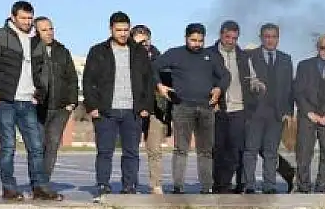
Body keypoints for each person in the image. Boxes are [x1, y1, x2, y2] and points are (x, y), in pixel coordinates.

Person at [0, 1, 62, 201]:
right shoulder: (0, 35)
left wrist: (40, 93)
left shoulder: (36, 41)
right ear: (13, 16)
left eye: (29, 18)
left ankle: (40, 187)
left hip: (28, 102)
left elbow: (43, 70)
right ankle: (9, 188)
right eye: (23, 18)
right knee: (8, 146)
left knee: (36, 146)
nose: (27, 22)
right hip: (6, 100)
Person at [82, 12, 155, 197]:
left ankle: (129, 186)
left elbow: (148, 80)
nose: (123, 33)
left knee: (131, 152)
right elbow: (88, 80)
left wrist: (146, 106)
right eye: (119, 30)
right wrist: (92, 106)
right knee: (105, 151)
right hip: (106, 111)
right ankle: (103, 185)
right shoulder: (98, 51)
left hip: (133, 111)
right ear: (111, 29)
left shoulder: (139, 52)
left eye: (125, 30)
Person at [154, 23, 228, 194]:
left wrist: (219, 89)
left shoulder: (211, 56)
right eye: (193, 40)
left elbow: (225, 75)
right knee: (181, 149)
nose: (197, 44)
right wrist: (160, 86)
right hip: (182, 107)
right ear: (186, 38)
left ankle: (206, 187)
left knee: (206, 151)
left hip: (206, 108)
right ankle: (178, 187)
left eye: (200, 41)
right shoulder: (175, 53)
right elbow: (153, 67)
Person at [241, 23, 296, 194]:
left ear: (278, 38)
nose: (270, 40)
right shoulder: (249, 56)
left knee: (271, 152)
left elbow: (289, 87)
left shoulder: (286, 59)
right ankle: (249, 185)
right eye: (267, 36)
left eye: (274, 37)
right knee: (250, 150)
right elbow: (244, 84)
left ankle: (269, 186)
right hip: (254, 112)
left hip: (277, 114)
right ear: (261, 37)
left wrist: (288, 113)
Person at [293, 35, 325, 192]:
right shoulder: (304, 65)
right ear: (318, 47)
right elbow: (298, 91)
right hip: (308, 116)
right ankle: (303, 187)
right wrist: (309, 112)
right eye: (323, 48)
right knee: (303, 154)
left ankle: (321, 186)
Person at [32, 16, 79, 187]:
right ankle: (35, 182)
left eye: (51, 28)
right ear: (36, 32)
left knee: (52, 145)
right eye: (44, 29)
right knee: (37, 146)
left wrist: (72, 102)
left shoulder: (62, 51)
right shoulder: (30, 50)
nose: (49, 32)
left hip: (60, 108)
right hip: (38, 107)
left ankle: (43, 184)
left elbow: (72, 78)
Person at [209, 21, 253, 194]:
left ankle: (229, 185)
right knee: (218, 150)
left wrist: (256, 84)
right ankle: (219, 185)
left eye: (235, 38)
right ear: (221, 35)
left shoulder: (243, 56)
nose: (231, 41)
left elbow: (251, 77)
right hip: (217, 109)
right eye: (228, 37)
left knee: (235, 151)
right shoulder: (209, 54)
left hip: (238, 109)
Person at [131, 25, 171, 194]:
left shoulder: (159, 59)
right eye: (139, 42)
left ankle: (156, 184)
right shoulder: (127, 58)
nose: (144, 44)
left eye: (146, 41)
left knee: (154, 149)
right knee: (131, 150)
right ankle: (130, 184)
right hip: (132, 107)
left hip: (155, 109)